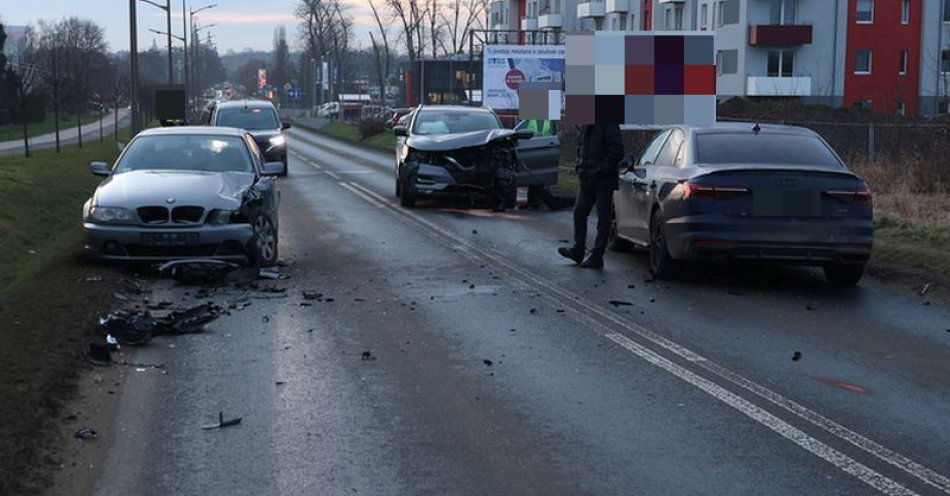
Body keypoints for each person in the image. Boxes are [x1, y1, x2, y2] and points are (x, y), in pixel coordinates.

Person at [558, 123, 624, 269]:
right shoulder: (586, 125)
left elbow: (618, 152)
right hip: (586, 178)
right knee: (579, 213)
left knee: (603, 219)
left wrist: (602, 169)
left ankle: (597, 256)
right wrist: (579, 165)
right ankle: (578, 250)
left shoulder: (608, 124)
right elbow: (581, 147)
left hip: (603, 180)